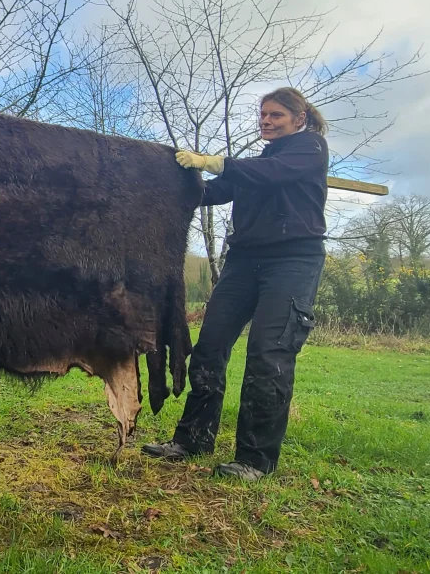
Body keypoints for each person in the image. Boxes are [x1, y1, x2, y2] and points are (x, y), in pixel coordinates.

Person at [141, 87, 329, 480]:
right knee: (209, 347)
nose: (266, 121)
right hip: (243, 261)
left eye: (276, 115)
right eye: (263, 114)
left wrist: (214, 161)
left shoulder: (309, 149)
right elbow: (213, 191)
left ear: (299, 118)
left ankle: (255, 460)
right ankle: (192, 439)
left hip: (293, 260)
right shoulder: (259, 161)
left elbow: (270, 174)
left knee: (268, 355)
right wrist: (167, 183)